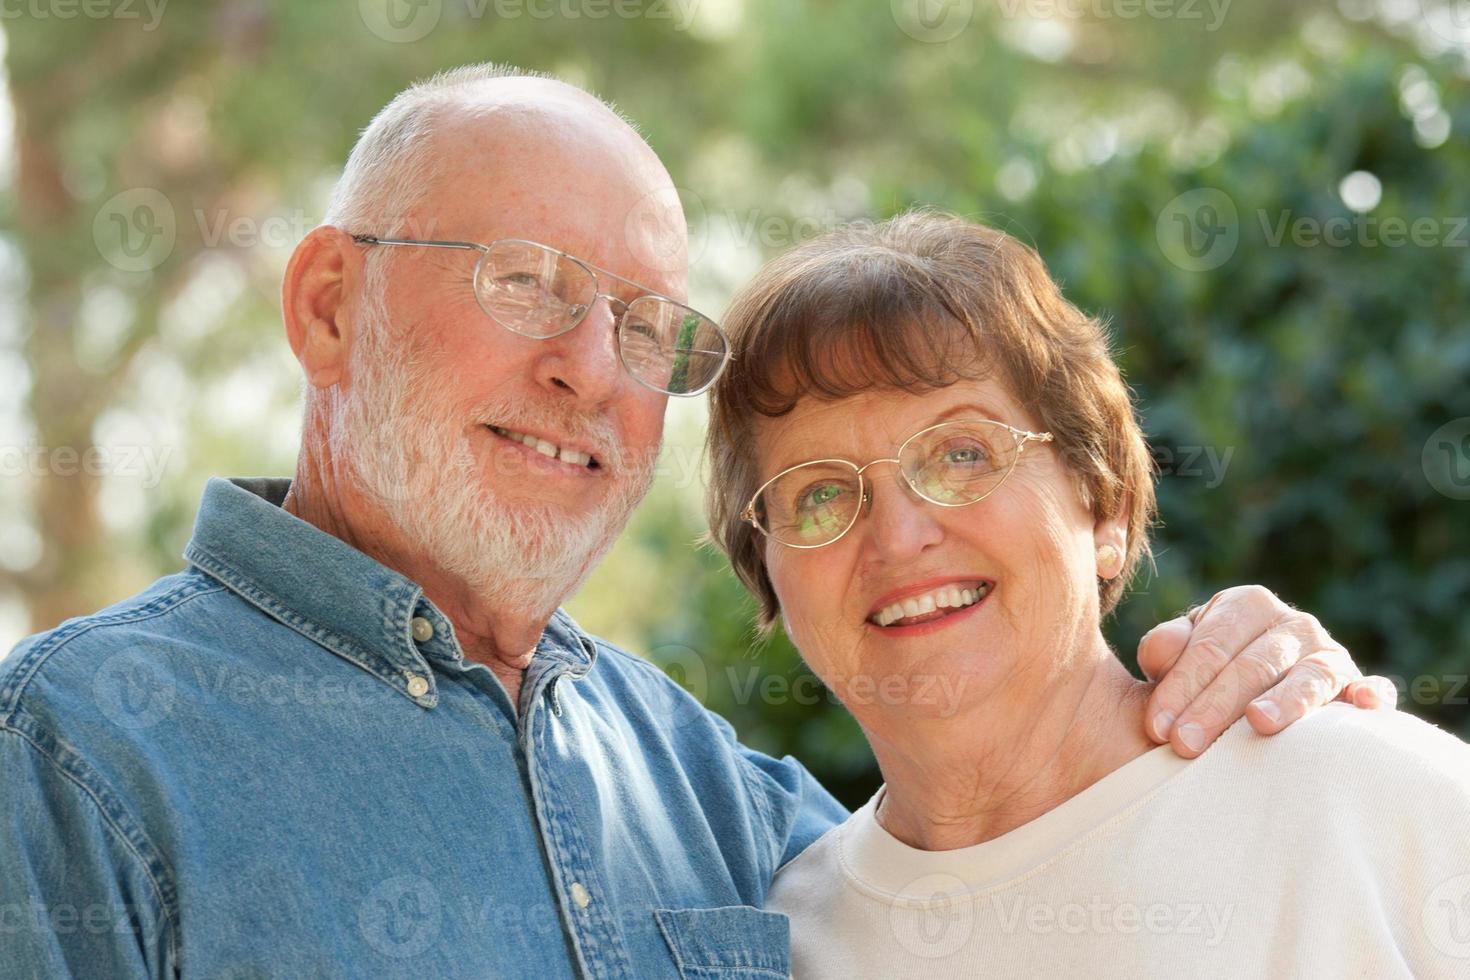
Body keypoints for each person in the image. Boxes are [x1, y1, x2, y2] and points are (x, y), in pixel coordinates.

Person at [0, 67, 1389, 978]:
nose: (591, 371)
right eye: (531, 283)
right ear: (323, 307)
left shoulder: (702, 783)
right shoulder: (79, 752)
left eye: (646, 325)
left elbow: (991, 839)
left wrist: (1240, 672)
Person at [704, 209, 1470, 978]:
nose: (899, 537)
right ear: (766, 571)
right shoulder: (782, 946)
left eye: (962, 453)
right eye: (820, 496)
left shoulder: (1364, 805)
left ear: (1104, 504)